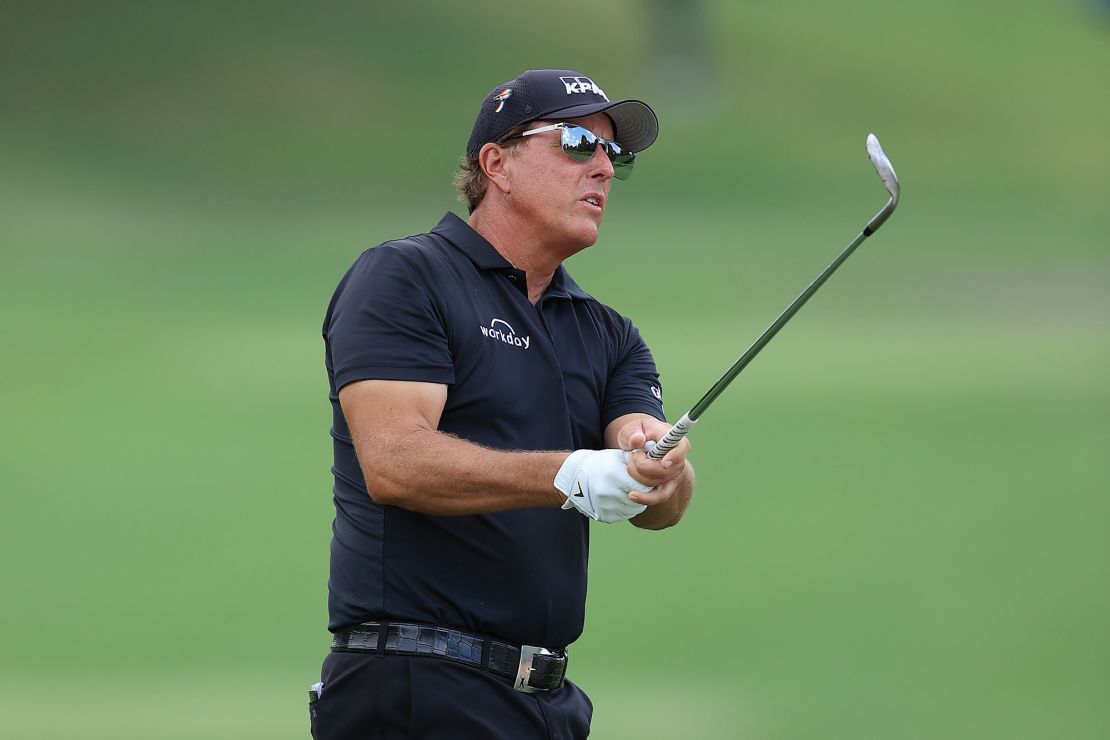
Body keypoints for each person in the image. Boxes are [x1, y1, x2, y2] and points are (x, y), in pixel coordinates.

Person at [310, 68, 695, 740]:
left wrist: (658, 467)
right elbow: (394, 461)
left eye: (616, 154)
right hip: (415, 686)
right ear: (498, 164)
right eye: (579, 142)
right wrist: (570, 473)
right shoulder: (406, 277)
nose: (603, 168)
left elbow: (658, 508)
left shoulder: (607, 333)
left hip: (546, 704)